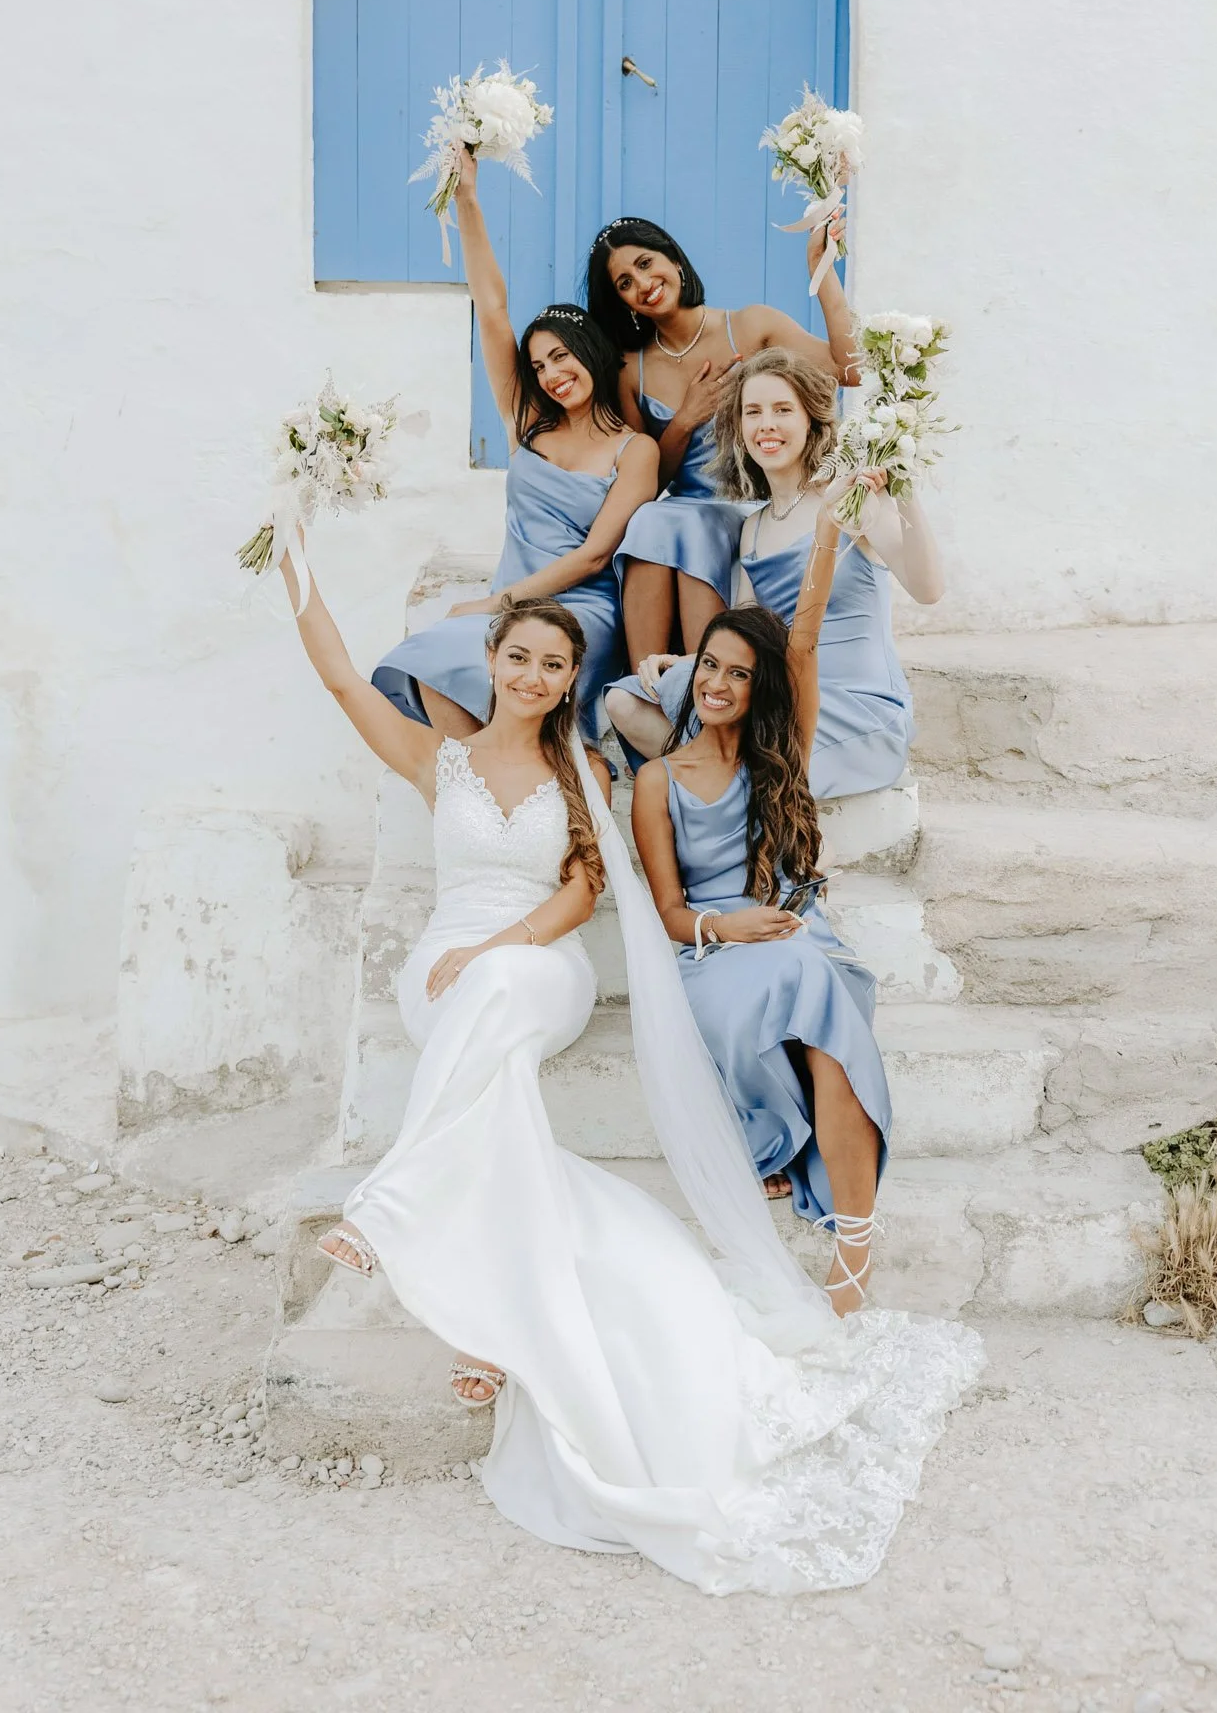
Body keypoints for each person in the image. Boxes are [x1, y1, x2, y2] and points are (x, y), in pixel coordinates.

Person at [282, 558, 982, 1592]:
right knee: (491, 1069)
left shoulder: (586, 775)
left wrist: (504, 944)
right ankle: (496, 1327)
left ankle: (392, 1205)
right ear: (492, 662)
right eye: (517, 656)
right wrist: (297, 556)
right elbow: (343, 678)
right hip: (444, 971)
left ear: (571, 679)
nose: (531, 673)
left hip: (535, 962)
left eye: (553, 662)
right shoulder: (443, 761)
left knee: (506, 996)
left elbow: (580, 890)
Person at [629, 489, 892, 1297]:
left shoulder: (781, 759)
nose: (715, 682)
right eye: (708, 664)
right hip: (712, 952)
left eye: (738, 674)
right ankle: (775, 1147)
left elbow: (804, 641)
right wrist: (730, 927)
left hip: (789, 934)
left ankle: (854, 1252)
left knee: (810, 980)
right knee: (793, 979)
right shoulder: (655, 780)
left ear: (759, 688)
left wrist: (831, 526)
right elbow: (670, 916)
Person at [373, 149, 659, 745]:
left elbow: (592, 559)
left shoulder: (636, 452)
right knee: (429, 655)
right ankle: (488, 783)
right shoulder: (529, 423)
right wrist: (467, 200)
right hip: (512, 605)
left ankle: (517, 775)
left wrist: (492, 603)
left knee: (505, 653)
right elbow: (494, 309)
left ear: (592, 355)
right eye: (539, 366)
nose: (553, 374)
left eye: (562, 356)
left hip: (580, 610)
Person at [606, 349, 943, 794]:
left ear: (811, 420)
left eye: (783, 410)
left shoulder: (852, 501)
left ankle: (722, 782)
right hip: (780, 699)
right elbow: (745, 641)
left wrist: (904, 488)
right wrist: (688, 662)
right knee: (625, 700)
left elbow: (928, 589)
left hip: (855, 707)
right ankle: (724, 778)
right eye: (753, 412)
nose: (766, 424)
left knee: (756, 743)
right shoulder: (754, 529)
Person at [585, 212, 859, 665]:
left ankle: (705, 685)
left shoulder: (750, 326)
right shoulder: (631, 369)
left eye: (647, 263)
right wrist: (684, 419)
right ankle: (649, 683)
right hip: (683, 505)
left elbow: (849, 370)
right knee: (650, 518)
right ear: (623, 303)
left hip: (753, 500)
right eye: (625, 283)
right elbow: (646, 481)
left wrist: (823, 273)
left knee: (687, 523)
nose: (643, 283)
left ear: (674, 260)